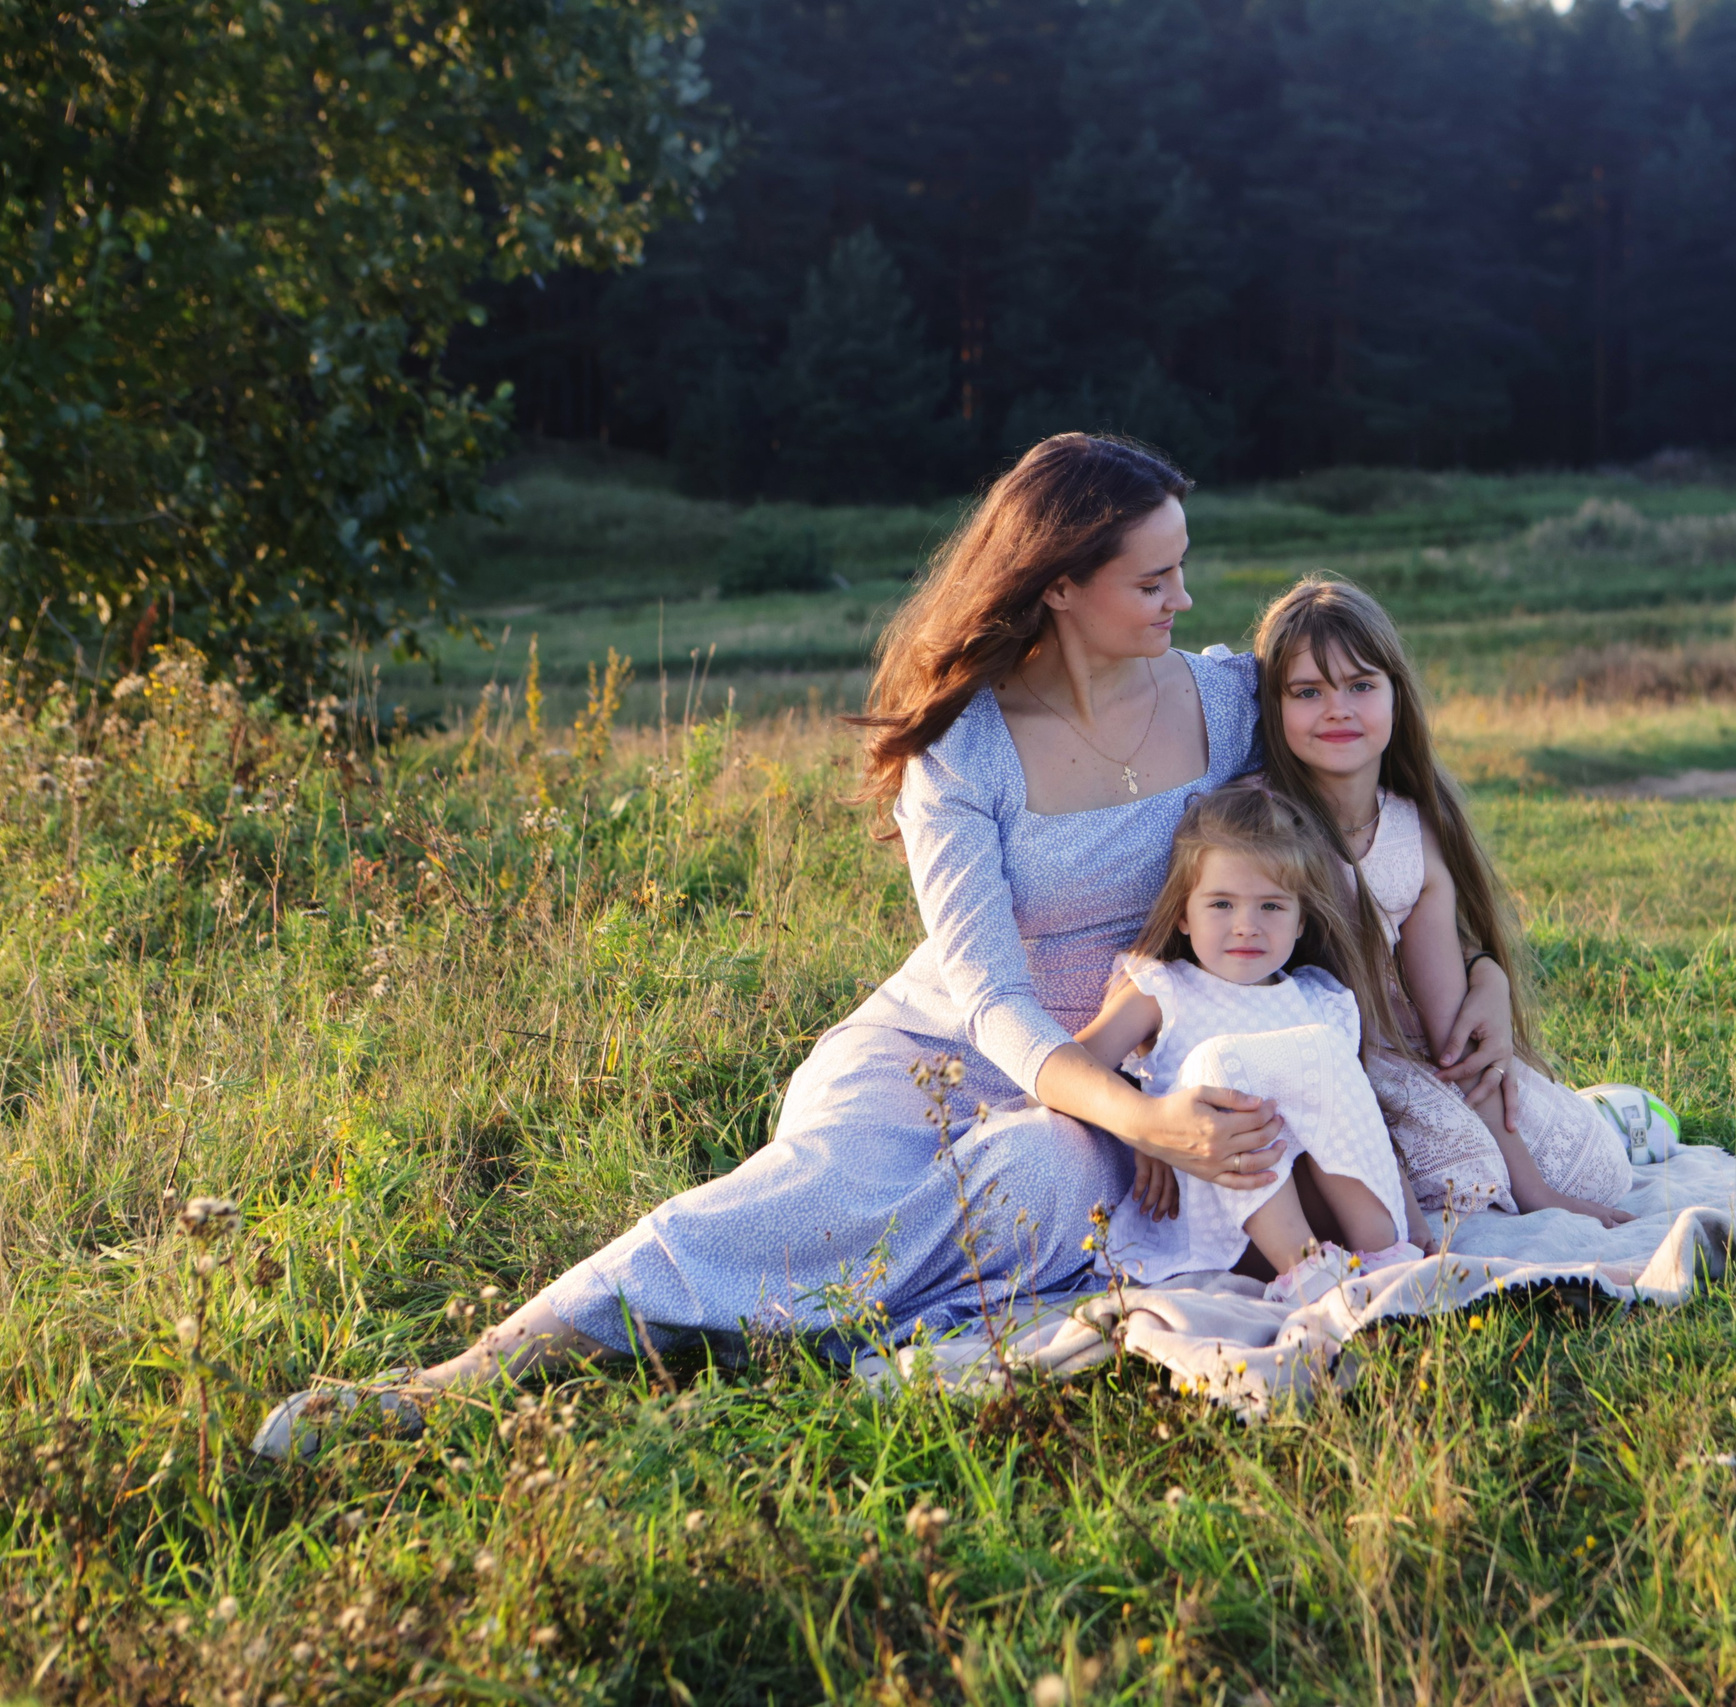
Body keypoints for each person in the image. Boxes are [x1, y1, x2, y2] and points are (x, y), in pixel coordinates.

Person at [253, 434, 1521, 1459]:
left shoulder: (1230, 699)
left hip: (1144, 1059)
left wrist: (1479, 976)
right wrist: (1147, 1129)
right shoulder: (958, 751)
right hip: (954, 1047)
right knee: (811, 1190)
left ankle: (782, 1330)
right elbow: (990, 1002)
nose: (1188, 600)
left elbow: (1381, 809)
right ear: (1060, 585)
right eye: (1154, 579)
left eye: (1184, 570)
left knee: (1029, 1183)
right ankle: (470, 1373)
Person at [1250, 577, 1638, 1234]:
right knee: (1447, 1182)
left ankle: (1630, 1116)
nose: (1337, 708)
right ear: (1273, 704)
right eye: (1308, 691)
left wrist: (1539, 1192)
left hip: (1409, 1059)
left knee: (1589, 1166)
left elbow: (1451, 1033)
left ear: (1397, 695)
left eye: (1361, 685)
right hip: (1325, 1077)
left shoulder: (1412, 829)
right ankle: (1620, 1114)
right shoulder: (1260, 822)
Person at [1083, 785, 1424, 1303]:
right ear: (1183, 914)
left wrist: (1414, 1219)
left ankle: (1388, 1259)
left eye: (1271, 906)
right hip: (1211, 1224)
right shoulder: (1162, 990)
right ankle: (1310, 1276)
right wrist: (1141, 1128)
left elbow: (1354, 1116)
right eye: (1221, 904)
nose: (1246, 925)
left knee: (1319, 1052)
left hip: (1319, 1213)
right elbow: (1073, 1067)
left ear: (1300, 919)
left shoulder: (1319, 1001)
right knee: (1218, 1063)